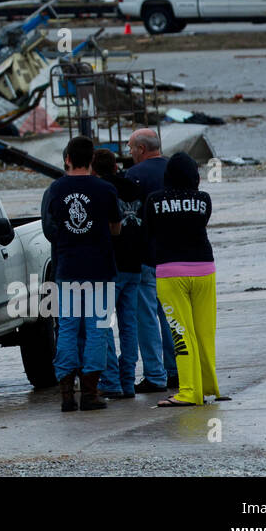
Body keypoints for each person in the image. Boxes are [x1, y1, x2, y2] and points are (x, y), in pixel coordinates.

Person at [41, 135, 121, 412]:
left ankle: (66, 394)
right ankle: (89, 392)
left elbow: (51, 228)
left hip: (68, 269)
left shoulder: (55, 190)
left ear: (67, 159)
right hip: (99, 269)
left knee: (68, 328)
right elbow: (116, 228)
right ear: (92, 161)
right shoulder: (106, 189)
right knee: (97, 329)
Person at [143, 152, 225, 407]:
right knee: (204, 331)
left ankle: (189, 390)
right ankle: (209, 385)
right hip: (204, 268)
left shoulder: (154, 200)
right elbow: (202, 223)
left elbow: (149, 232)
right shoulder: (203, 199)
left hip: (170, 271)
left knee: (181, 332)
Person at [124, 127, 179, 392]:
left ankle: (155, 375)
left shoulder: (133, 177)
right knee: (171, 317)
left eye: (131, 149)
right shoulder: (175, 172)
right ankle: (176, 370)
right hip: (176, 257)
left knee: (146, 318)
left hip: (146, 258)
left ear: (141, 149)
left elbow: (129, 220)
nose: (130, 154)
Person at [90, 148, 145, 400]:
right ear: (115, 166)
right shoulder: (135, 187)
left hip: (110, 266)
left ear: (94, 169)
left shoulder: (100, 191)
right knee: (129, 326)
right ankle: (128, 381)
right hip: (136, 264)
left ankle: (111, 381)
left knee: (103, 324)